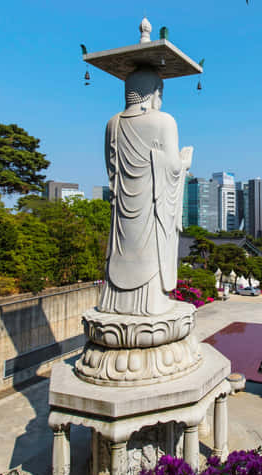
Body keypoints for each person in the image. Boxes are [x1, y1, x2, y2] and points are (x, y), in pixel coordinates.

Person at [98, 66, 193, 316]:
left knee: (122, 252)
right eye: (159, 93)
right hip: (151, 210)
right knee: (153, 252)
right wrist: (184, 163)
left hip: (122, 216)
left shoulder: (112, 124)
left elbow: (112, 169)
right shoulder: (164, 121)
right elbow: (171, 167)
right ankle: (151, 303)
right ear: (153, 93)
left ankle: (114, 302)